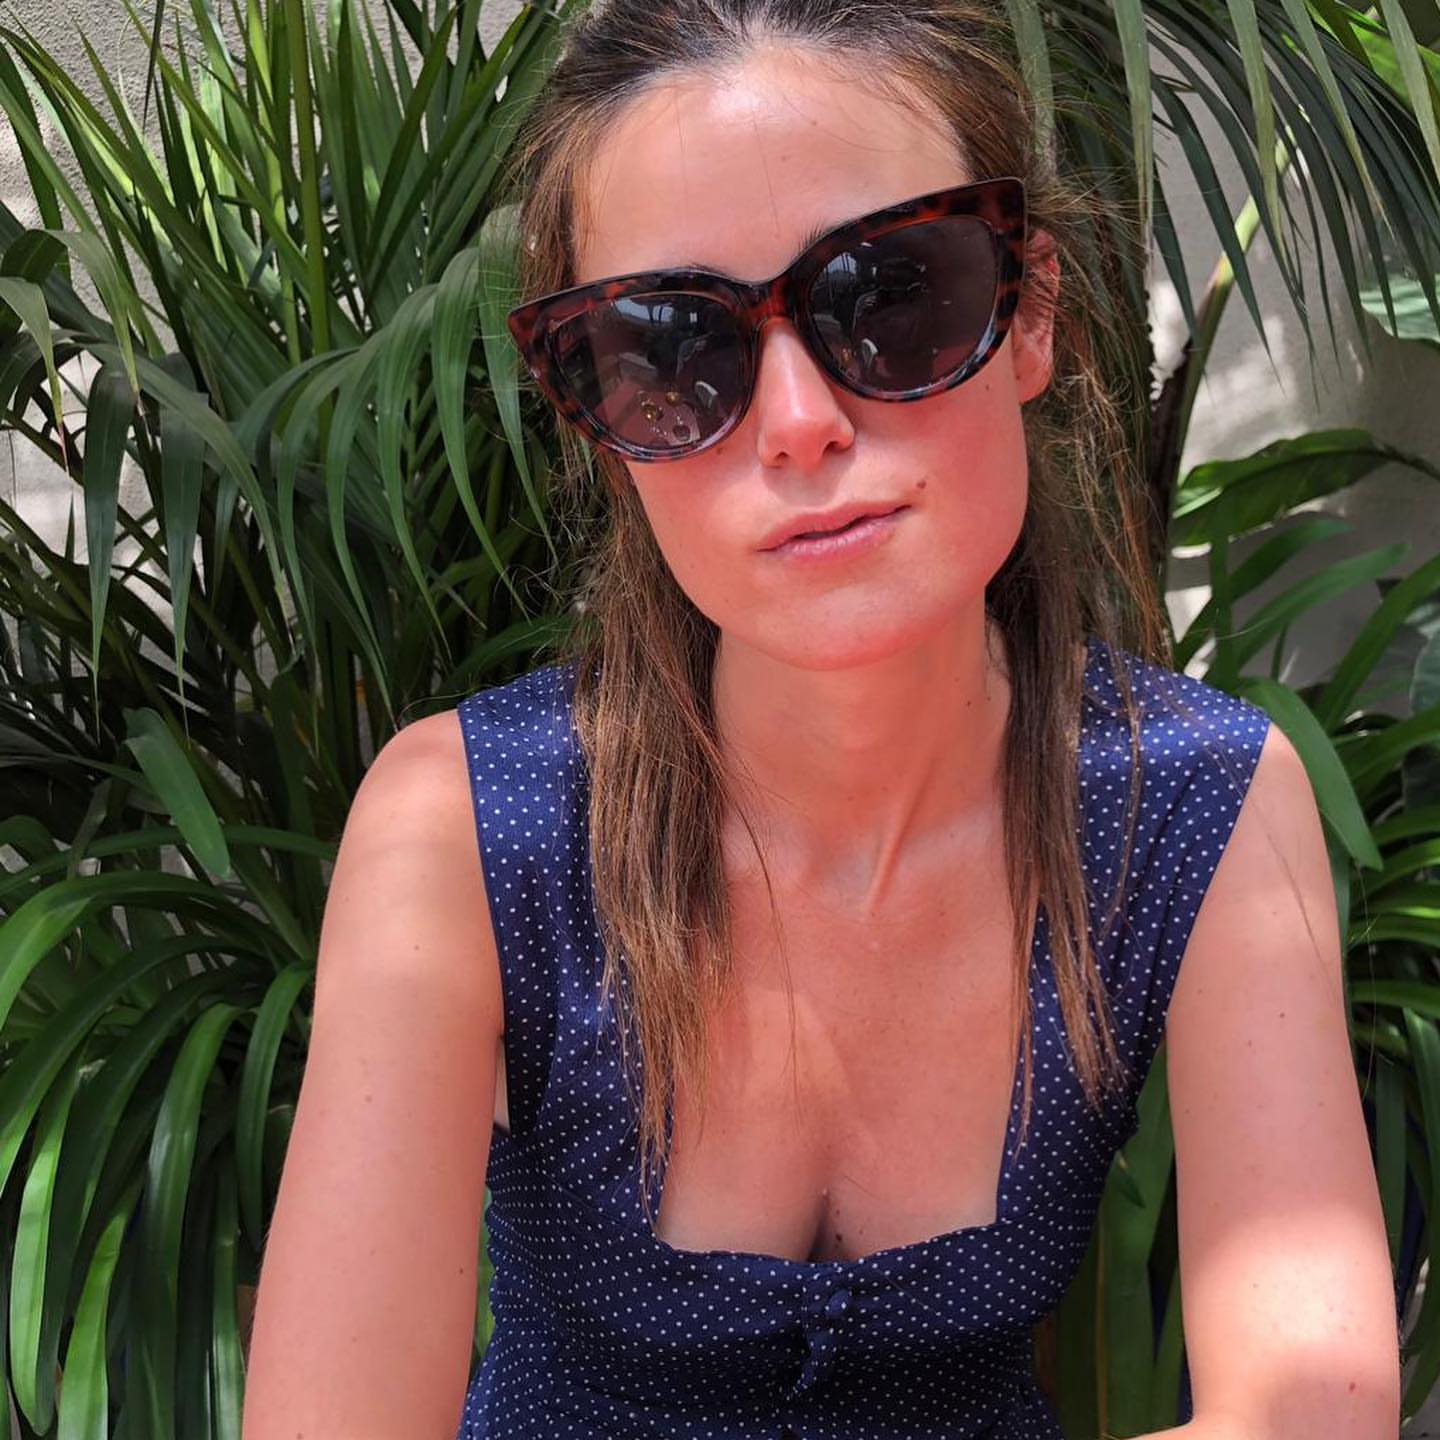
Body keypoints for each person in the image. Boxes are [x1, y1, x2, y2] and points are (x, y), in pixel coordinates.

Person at [240, 2, 1401, 1437]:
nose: (798, 420)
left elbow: (1313, 1410)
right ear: (595, 416)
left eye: (893, 295)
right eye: (672, 350)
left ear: (1029, 312)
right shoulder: (474, 826)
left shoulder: (1196, 802)